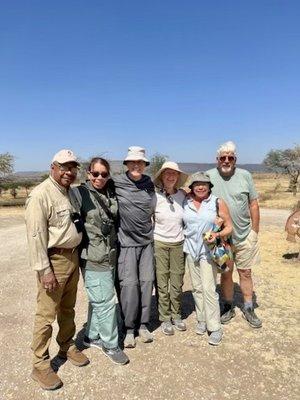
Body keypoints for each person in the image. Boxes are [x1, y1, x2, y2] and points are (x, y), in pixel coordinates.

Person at [25, 149, 89, 391]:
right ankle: (40, 364)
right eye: (64, 167)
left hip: (72, 258)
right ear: (53, 166)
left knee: (68, 308)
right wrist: (45, 270)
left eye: (72, 167)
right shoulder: (41, 195)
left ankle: (66, 346)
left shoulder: (70, 192)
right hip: (54, 261)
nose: (69, 172)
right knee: (45, 314)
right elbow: (36, 236)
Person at [72, 157, 129, 365]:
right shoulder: (79, 194)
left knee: (98, 299)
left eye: (104, 174)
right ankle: (110, 344)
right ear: (88, 173)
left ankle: (92, 336)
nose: (99, 178)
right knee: (105, 303)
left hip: (110, 255)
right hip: (93, 257)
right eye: (95, 174)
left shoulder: (110, 191)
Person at [206, 141, 262, 328]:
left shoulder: (245, 175)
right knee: (227, 273)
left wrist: (255, 231)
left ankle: (248, 307)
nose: (227, 160)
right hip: (223, 239)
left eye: (230, 157)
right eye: (223, 157)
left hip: (245, 235)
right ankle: (228, 306)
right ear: (217, 160)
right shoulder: (209, 176)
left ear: (235, 159)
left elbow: (253, 204)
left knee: (245, 273)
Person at [183, 172, 232, 345]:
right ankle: (202, 319)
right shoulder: (186, 201)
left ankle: (214, 327)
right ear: (192, 186)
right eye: (197, 184)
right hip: (190, 250)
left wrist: (217, 233)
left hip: (208, 252)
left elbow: (229, 227)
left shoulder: (217, 202)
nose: (201, 187)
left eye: (204, 184)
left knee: (209, 288)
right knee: (197, 288)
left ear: (209, 186)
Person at [114, 146, 156, 348]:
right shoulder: (116, 183)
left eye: (140, 162)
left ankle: (143, 324)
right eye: (132, 162)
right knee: (129, 286)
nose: (136, 165)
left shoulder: (150, 184)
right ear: (127, 164)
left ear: (145, 165)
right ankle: (129, 328)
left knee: (147, 282)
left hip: (147, 242)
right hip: (126, 243)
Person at [153, 161, 188, 335]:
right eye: (167, 173)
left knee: (177, 282)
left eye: (174, 173)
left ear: (178, 177)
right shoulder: (154, 196)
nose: (170, 176)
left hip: (178, 244)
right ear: (161, 176)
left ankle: (177, 314)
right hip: (159, 243)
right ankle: (165, 317)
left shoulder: (183, 195)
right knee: (161, 282)